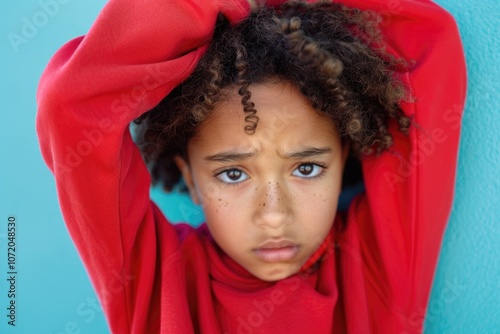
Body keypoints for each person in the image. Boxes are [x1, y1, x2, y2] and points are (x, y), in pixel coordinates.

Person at [36, 0, 466, 333]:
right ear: (192, 179)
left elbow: (428, 44)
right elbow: (71, 108)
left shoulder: (376, 269)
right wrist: (238, 9)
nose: (275, 214)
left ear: (344, 159)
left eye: (307, 168)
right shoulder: (154, 282)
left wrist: (288, 16)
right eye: (233, 173)